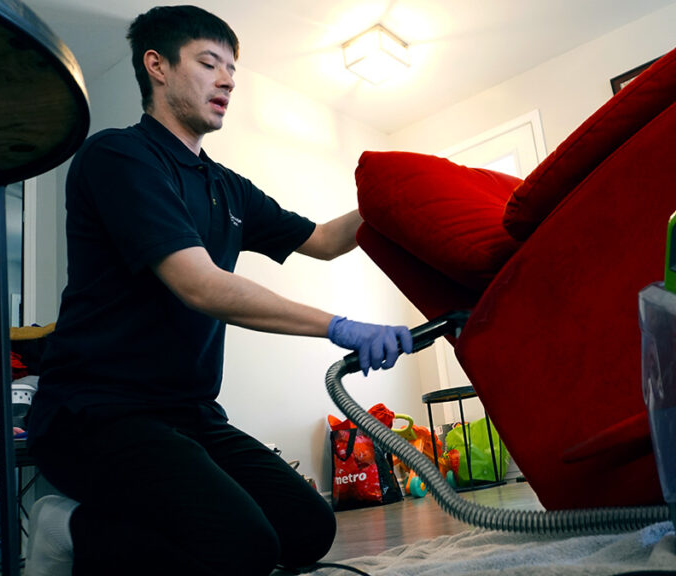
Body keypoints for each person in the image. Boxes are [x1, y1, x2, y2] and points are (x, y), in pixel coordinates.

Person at [24, 5, 413, 575]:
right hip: (96, 415)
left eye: (233, 68)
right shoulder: (118, 156)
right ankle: (68, 528)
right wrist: (339, 326)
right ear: (156, 65)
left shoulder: (226, 188)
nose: (228, 78)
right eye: (210, 63)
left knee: (308, 529)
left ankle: (108, 526)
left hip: (192, 414)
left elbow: (326, 239)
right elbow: (200, 285)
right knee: (241, 547)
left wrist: (401, 196)